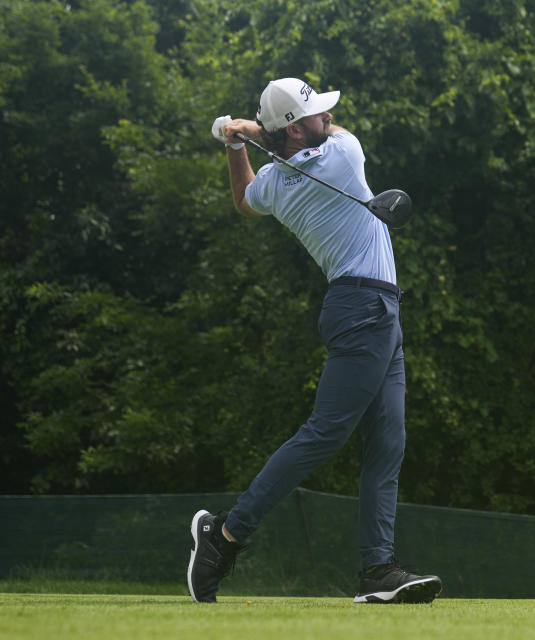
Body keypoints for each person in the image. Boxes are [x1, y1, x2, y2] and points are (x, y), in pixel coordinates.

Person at [188, 77, 441, 605]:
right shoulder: (343, 155)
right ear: (299, 129)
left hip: (373, 310)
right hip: (364, 308)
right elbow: (326, 135)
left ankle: (378, 569)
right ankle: (226, 535)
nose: (329, 117)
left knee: (387, 445)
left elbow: (242, 198)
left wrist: (237, 143)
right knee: (324, 434)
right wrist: (254, 132)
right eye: (317, 113)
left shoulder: (278, 184)